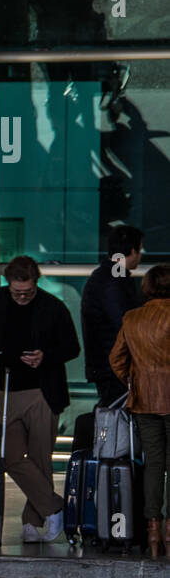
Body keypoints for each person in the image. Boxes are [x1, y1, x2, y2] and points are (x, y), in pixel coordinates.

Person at [0, 255, 81, 542]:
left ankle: (32, 523)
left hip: (43, 392)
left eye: (27, 292)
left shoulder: (53, 306)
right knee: (9, 456)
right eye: (16, 291)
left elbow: (72, 347)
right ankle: (55, 508)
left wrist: (46, 356)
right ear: (8, 284)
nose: (21, 297)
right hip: (6, 389)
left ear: (37, 283)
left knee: (41, 459)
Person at [108, 264, 170, 558]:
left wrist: (136, 383)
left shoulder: (132, 318)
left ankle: (153, 530)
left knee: (154, 464)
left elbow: (116, 360)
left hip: (144, 401)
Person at [81, 225, 144, 407]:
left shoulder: (105, 276)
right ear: (133, 250)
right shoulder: (113, 280)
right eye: (140, 249)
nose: (141, 255)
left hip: (106, 366)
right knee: (118, 421)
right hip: (114, 368)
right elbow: (124, 323)